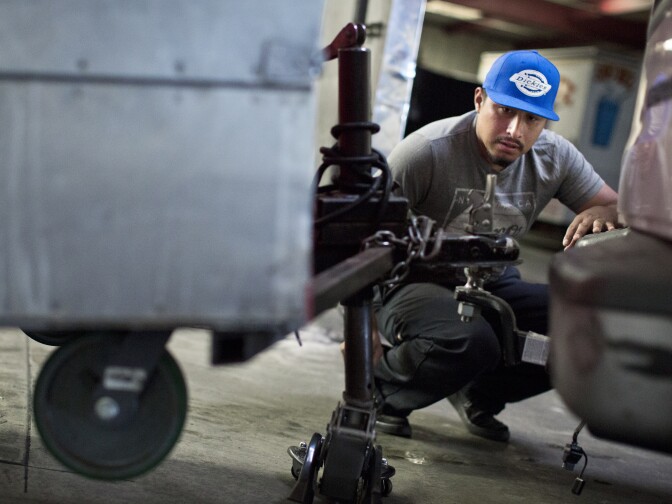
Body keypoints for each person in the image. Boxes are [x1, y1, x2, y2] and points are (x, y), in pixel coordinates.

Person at [373, 50, 619, 442]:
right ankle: (380, 392)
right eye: (504, 111)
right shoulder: (426, 152)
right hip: (408, 280)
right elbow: (362, 240)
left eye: (531, 119)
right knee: (473, 341)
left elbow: (614, 205)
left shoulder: (554, 156)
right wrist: (361, 331)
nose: (515, 131)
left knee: (590, 326)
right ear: (479, 100)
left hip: (489, 280)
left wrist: (602, 211)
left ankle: (479, 392)